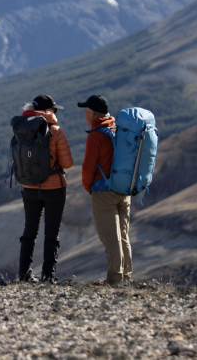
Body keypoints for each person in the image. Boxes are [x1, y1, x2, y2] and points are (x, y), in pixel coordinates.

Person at [14, 94, 73, 284]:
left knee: (29, 231)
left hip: (29, 186)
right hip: (54, 188)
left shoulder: (23, 129)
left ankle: (24, 273)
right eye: (53, 110)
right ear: (48, 112)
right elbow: (67, 163)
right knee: (51, 233)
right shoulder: (55, 131)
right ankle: (48, 275)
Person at [78, 94, 132, 286]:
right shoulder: (119, 130)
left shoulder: (96, 136)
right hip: (124, 191)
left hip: (104, 193)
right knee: (123, 236)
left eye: (85, 111)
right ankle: (126, 277)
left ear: (92, 113)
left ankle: (115, 280)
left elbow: (88, 168)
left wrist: (88, 187)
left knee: (110, 237)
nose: (84, 114)